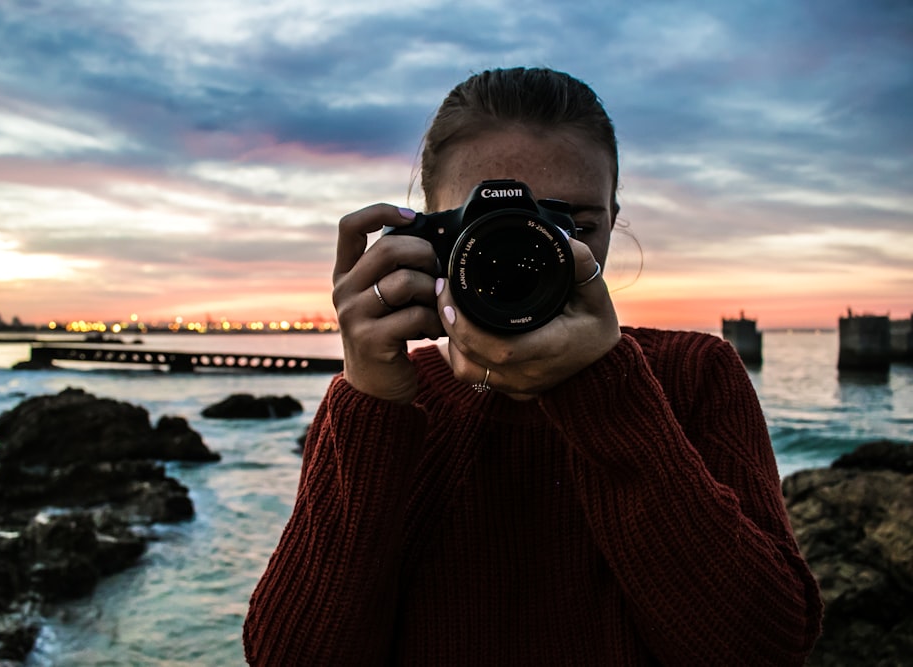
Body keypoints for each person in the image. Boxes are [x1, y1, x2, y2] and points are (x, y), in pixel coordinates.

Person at [243, 67, 822, 665]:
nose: (530, 251)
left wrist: (607, 391)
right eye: (489, 229)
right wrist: (372, 399)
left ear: (612, 219)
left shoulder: (695, 374)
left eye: (572, 225)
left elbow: (765, 648)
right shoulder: (390, 405)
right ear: (427, 231)